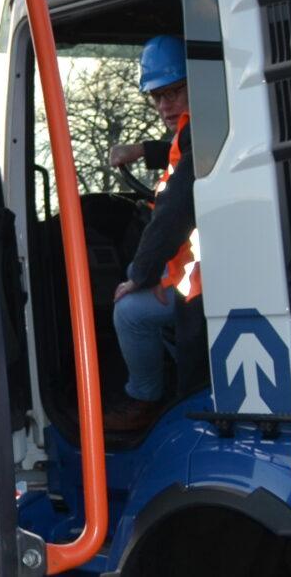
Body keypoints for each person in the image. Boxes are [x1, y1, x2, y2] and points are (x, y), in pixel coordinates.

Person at [104, 34, 199, 436]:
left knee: (128, 310)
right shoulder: (206, 128)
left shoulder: (199, 135)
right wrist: (143, 149)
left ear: (198, 81)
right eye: (158, 96)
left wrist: (141, 276)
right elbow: (182, 153)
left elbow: (172, 215)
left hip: (201, 284)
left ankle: (145, 400)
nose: (164, 105)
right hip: (196, 270)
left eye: (174, 92)